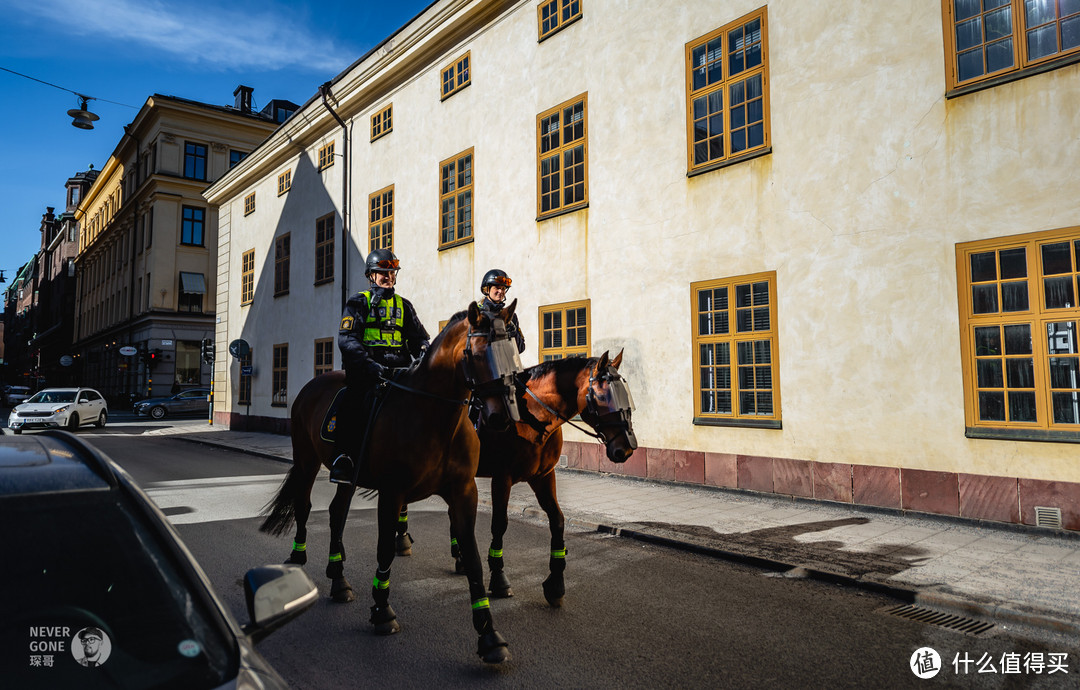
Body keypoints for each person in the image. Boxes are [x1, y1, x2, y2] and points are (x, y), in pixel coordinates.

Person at [330, 248, 429, 484]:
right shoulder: (358, 302)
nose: (388, 276)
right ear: (370, 276)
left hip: (400, 373)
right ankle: (343, 459)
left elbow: (419, 339)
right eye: (382, 272)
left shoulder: (404, 305)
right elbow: (347, 339)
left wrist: (424, 351)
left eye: (391, 272)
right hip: (367, 372)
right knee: (352, 402)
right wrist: (369, 365)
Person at [477, 269, 525, 354]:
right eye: (497, 288)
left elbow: (520, 348)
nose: (501, 292)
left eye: (503, 289)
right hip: (484, 364)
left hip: (505, 364)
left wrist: (512, 332)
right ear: (487, 289)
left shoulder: (511, 316)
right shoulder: (477, 313)